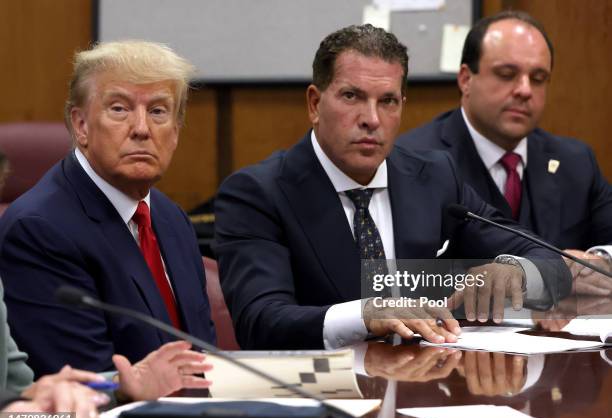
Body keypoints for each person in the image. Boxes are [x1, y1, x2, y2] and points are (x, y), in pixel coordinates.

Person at [214, 24, 571, 350]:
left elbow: (551, 262)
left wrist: (516, 271)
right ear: (314, 103)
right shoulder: (258, 194)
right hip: (329, 398)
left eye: (387, 101)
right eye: (352, 96)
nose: (371, 119)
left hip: (429, 392)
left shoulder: (435, 177)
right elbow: (259, 322)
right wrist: (367, 313)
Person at [0, 40, 215, 377]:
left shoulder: (171, 218)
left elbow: (203, 354)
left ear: (175, 132)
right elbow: (82, 382)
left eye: (158, 111)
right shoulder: (38, 229)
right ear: (81, 125)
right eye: (119, 108)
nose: (142, 129)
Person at [395, 11, 612, 297]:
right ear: (465, 79)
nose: (524, 90)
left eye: (538, 78)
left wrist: (598, 261)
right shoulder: (413, 162)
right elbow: (398, 277)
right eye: (507, 75)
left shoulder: (575, 161)